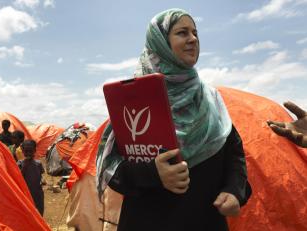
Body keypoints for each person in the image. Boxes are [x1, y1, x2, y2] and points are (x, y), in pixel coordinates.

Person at [96, 8, 251, 231]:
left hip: (205, 221)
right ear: (160, 42)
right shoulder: (135, 101)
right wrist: (153, 174)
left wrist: (235, 190)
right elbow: (113, 168)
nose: (193, 39)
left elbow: (234, 152)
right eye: (182, 33)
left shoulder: (210, 99)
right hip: (148, 222)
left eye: (195, 33)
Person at [17, 140, 45, 216]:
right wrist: (24, 166)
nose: (28, 153)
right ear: (22, 151)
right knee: (28, 211)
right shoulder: (20, 164)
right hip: (26, 192)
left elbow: (41, 175)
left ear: (34, 150)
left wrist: (43, 180)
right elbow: (18, 177)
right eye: (26, 151)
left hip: (38, 192)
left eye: (31, 151)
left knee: (39, 209)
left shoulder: (38, 163)